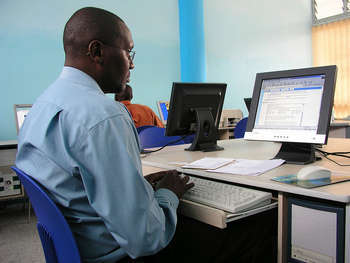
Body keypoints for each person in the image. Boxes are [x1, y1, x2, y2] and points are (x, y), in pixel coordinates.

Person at [15, 7, 193, 263]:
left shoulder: (42, 105)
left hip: (74, 252)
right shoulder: (104, 115)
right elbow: (146, 237)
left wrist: (139, 187)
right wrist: (167, 193)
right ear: (97, 51)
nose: (131, 63)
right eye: (128, 52)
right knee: (249, 231)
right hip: (117, 256)